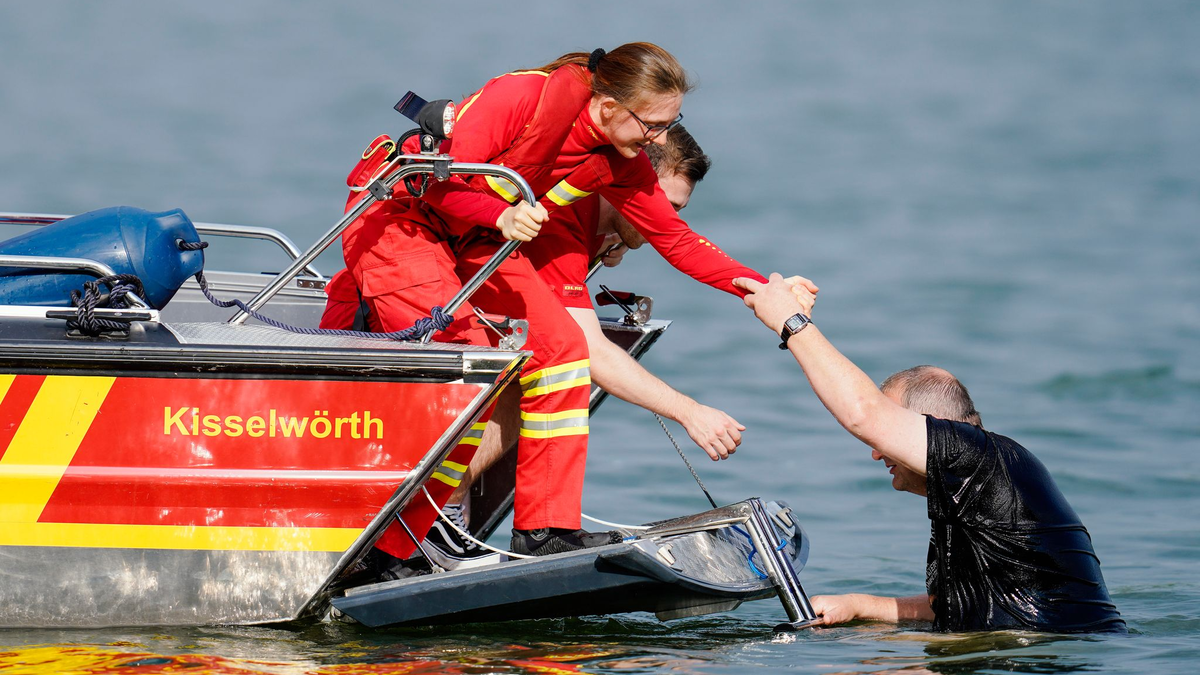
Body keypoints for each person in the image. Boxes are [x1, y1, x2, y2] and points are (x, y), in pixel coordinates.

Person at [325, 43, 803, 558]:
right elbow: (431, 178)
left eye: (670, 123)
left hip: (482, 236)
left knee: (564, 355)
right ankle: (392, 546)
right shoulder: (523, 95)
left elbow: (681, 243)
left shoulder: (624, 163)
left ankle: (545, 530)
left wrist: (764, 289)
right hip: (404, 218)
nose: (659, 139)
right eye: (654, 125)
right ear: (609, 108)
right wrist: (499, 217)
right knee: (469, 362)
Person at [732, 273, 1125, 633]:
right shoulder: (974, 486)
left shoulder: (981, 456)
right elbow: (959, 605)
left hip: (1051, 656)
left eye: (889, 435)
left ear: (934, 426)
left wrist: (790, 321)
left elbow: (864, 414)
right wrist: (857, 604)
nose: (876, 452)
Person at [424, 126, 748, 556]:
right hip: (428, 299)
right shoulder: (559, 225)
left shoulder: (592, 221)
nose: (665, 223)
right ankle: (439, 517)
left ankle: (452, 516)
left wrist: (610, 234)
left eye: (677, 211)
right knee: (557, 364)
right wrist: (690, 413)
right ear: (627, 189)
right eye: (663, 207)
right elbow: (590, 350)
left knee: (538, 368)